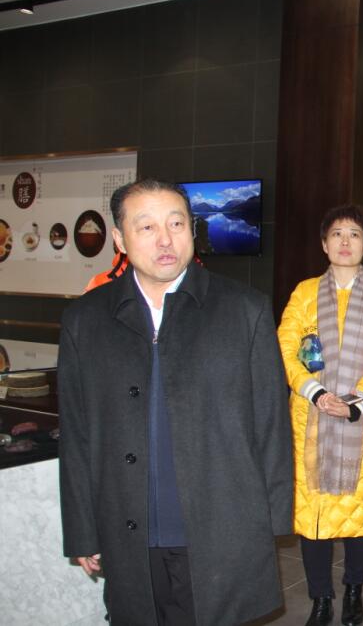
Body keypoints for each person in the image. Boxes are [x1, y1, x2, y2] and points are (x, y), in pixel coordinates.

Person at [58, 178, 293, 624]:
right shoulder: (85, 320)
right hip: (128, 529)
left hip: (222, 525)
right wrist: (82, 530)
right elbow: (77, 435)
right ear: (119, 238)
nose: (165, 239)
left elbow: (271, 425)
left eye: (177, 223)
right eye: (146, 227)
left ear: (192, 229)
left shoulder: (244, 310)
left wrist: (270, 522)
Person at [277, 205, 363, 626]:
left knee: (359, 513)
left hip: (362, 421)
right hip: (310, 421)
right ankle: (320, 598)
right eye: (336, 234)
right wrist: (314, 392)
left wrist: (356, 400)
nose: (345, 241)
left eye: (354, 234)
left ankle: (353, 590)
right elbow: (286, 347)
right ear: (323, 243)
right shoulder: (304, 293)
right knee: (312, 515)